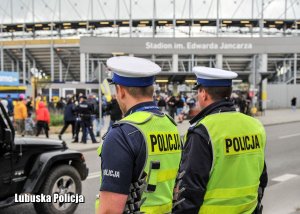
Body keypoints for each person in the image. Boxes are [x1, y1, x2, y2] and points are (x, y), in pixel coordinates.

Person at [173, 67, 268, 214]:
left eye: (198, 91)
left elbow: (190, 191)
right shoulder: (255, 126)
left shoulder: (202, 131)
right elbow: (262, 178)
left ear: (203, 94)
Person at [96, 56, 182, 214]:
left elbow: (110, 210)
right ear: (151, 90)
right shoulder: (170, 126)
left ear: (121, 91)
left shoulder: (121, 134)